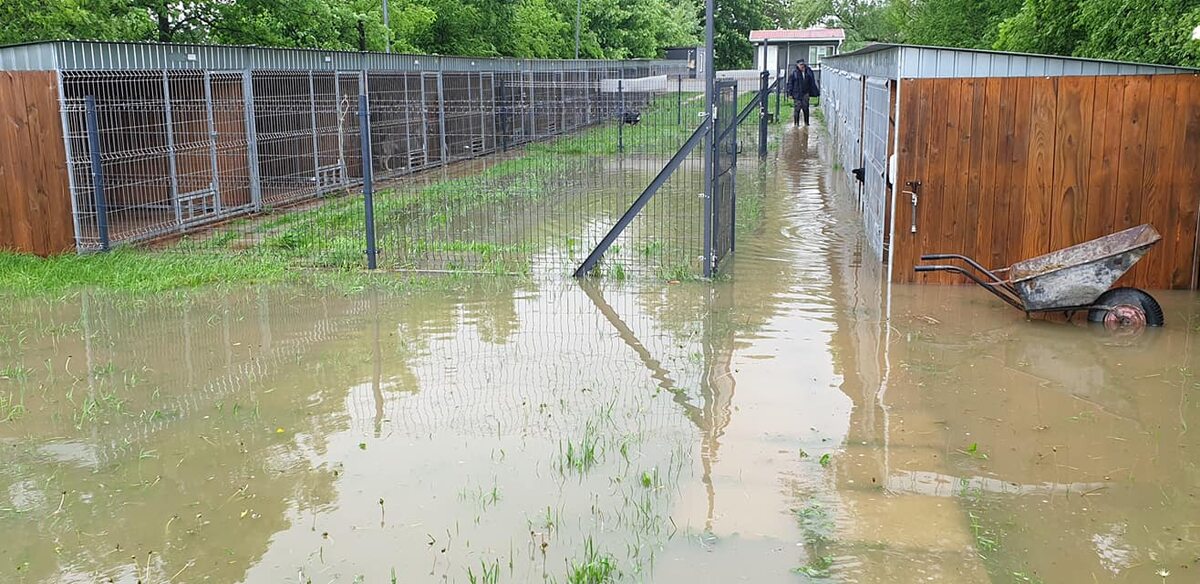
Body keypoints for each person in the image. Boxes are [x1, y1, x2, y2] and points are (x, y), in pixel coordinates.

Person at [786, 59, 819, 127]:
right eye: (800, 65)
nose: (802, 66)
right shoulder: (794, 73)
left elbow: (811, 82)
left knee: (806, 108)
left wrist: (813, 92)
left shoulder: (808, 72)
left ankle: (806, 123)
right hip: (797, 94)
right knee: (797, 109)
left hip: (805, 93)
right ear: (797, 65)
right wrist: (789, 93)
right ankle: (796, 124)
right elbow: (790, 84)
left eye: (803, 65)